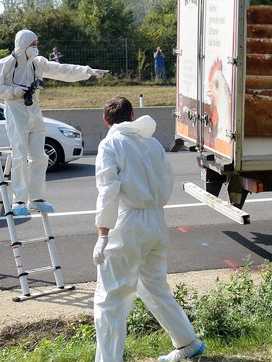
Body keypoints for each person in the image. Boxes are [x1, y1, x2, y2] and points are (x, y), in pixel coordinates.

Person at [92, 96, 204, 362]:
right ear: (132, 116)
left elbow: (107, 191)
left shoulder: (110, 144)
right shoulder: (153, 144)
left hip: (128, 223)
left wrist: (103, 233)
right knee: (155, 288)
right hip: (155, 221)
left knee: (110, 299)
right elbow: (167, 181)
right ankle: (187, 342)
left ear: (106, 121)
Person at [0, 29, 108, 216]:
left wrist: (88, 71)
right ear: (23, 44)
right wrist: (13, 91)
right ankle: (19, 200)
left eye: (36, 44)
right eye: (32, 44)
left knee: (40, 157)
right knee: (19, 156)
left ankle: (36, 198)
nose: (36, 47)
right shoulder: (5, 64)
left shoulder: (37, 63)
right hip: (15, 112)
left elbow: (62, 70)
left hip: (34, 110)